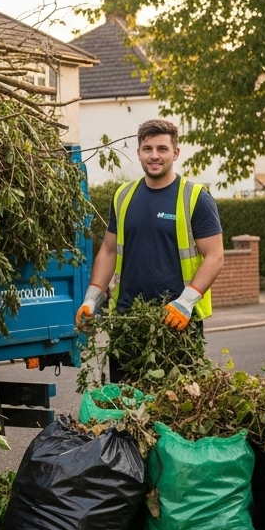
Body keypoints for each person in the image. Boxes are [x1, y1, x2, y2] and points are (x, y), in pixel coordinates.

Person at [76, 119, 226, 382]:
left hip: (176, 321)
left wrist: (186, 302)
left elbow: (215, 256)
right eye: (147, 149)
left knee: (177, 410)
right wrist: (92, 299)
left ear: (175, 153)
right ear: (138, 152)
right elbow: (109, 251)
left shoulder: (195, 197)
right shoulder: (123, 196)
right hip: (128, 320)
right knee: (126, 410)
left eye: (162, 149)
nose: (154, 156)